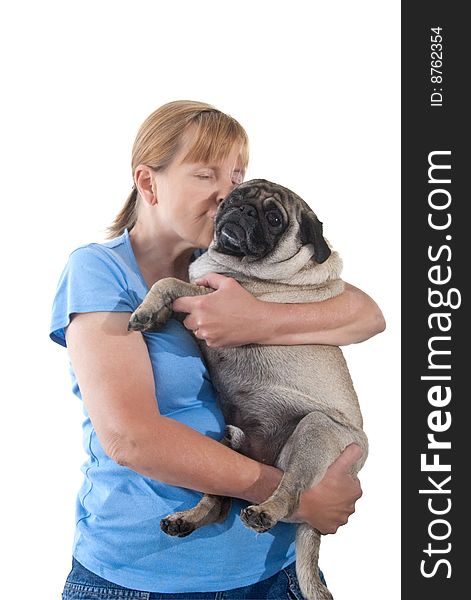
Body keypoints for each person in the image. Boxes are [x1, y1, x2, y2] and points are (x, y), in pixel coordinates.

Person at [50, 100, 385, 600]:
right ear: (148, 182)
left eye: (237, 174)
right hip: (147, 576)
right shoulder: (99, 271)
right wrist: (293, 498)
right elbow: (130, 439)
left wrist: (264, 319)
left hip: (274, 567)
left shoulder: (233, 268)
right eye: (206, 174)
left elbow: (367, 313)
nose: (227, 192)